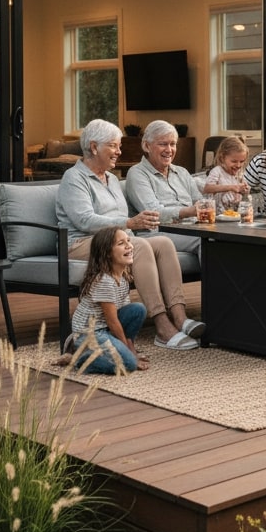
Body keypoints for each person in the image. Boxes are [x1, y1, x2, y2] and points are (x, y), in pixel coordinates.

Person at [56, 118, 204, 352]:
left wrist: (129, 228)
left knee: (163, 243)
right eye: (113, 146)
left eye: (118, 146)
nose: (119, 151)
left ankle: (179, 317)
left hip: (115, 240)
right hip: (82, 243)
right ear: (94, 147)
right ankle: (162, 325)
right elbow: (84, 220)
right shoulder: (74, 179)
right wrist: (128, 223)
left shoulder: (112, 178)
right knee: (139, 246)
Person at [62, 226, 150, 374]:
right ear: (107, 253)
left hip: (105, 329)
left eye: (128, 241)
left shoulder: (122, 277)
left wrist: (131, 349)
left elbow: (123, 315)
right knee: (128, 364)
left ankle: (122, 351)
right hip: (90, 332)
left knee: (138, 309)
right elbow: (113, 321)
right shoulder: (104, 281)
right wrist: (130, 356)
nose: (129, 245)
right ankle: (79, 359)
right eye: (121, 243)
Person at [124, 120, 204, 259]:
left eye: (172, 144)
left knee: (228, 237)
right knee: (206, 241)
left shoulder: (182, 172)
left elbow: (199, 201)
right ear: (146, 146)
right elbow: (153, 213)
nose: (169, 150)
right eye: (163, 144)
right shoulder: (137, 173)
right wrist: (188, 211)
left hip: (190, 228)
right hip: (156, 232)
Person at [200, 136, 250, 208]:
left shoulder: (239, 173)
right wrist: (231, 187)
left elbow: (241, 193)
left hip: (234, 213)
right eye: (234, 161)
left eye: (242, 161)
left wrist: (244, 190)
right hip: (218, 214)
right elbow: (207, 188)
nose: (238, 165)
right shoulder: (217, 171)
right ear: (222, 158)